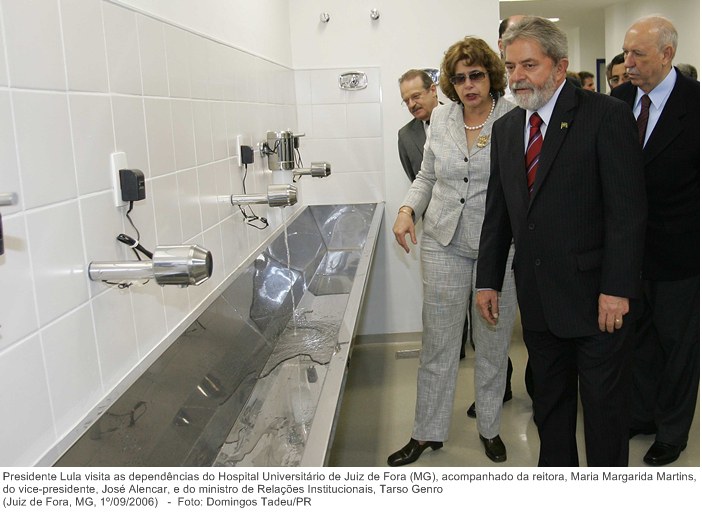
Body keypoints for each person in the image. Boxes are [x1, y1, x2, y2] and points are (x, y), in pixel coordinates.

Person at [475, 16, 647, 467]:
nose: (517, 77)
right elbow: (499, 214)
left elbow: (627, 213)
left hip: (598, 303)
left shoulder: (605, 115)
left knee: (604, 415)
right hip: (538, 302)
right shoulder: (507, 129)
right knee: (550, 410)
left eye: (529, 65)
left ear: (560, 66)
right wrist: (487, 280)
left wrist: (617, 289)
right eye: (510, 67)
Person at [388, 36, 518, 466]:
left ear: (491, 75)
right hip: (443, 241)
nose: (468, 85)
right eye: (459, 79)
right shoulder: (442, 118)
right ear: (449, 83)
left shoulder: (512, 117)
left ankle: (490, 428)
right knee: (439, 343)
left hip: (497, 247)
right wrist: (407, 209)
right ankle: (426, 431)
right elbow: (427, 176)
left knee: (492, 343)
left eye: (476, 75)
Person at [611, 15, 700, 466]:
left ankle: (672, 431)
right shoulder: (619, 100)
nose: (627, 62)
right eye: (626, 52)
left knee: (679, 348)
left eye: (638, 54)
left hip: (680, 254)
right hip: (629, 253)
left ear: (667, 55)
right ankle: (642, 413)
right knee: (638, 341)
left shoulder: (695, 104)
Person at [398, 70, 440, 182]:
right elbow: (415, 180)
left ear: (433, 90)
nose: (411, 104)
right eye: (406, 101)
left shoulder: (459, 118)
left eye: (416, 96)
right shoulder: (405, 136)